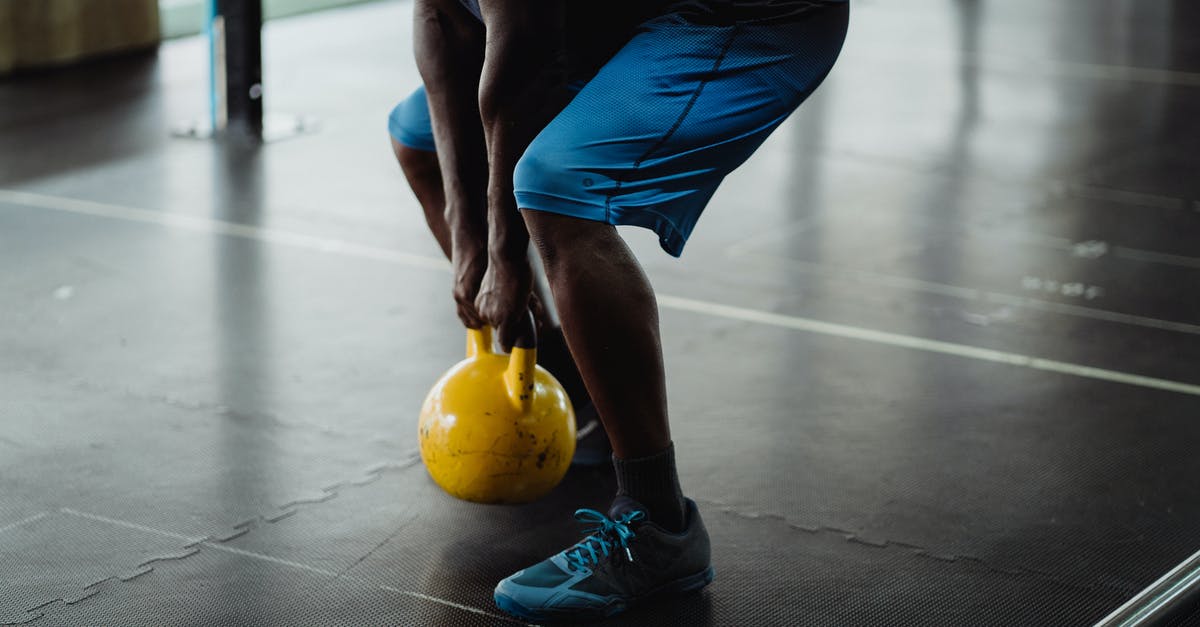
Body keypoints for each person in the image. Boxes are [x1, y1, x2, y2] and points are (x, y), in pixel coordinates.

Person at [388, 0, 848, 620]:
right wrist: (467, 234)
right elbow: (440, 19)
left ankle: (659, 525)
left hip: (742, 16)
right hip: (604, 14)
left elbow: (519, 60)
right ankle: (579, 397)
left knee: (558, 185)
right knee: (419, 135)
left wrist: (503, 250)